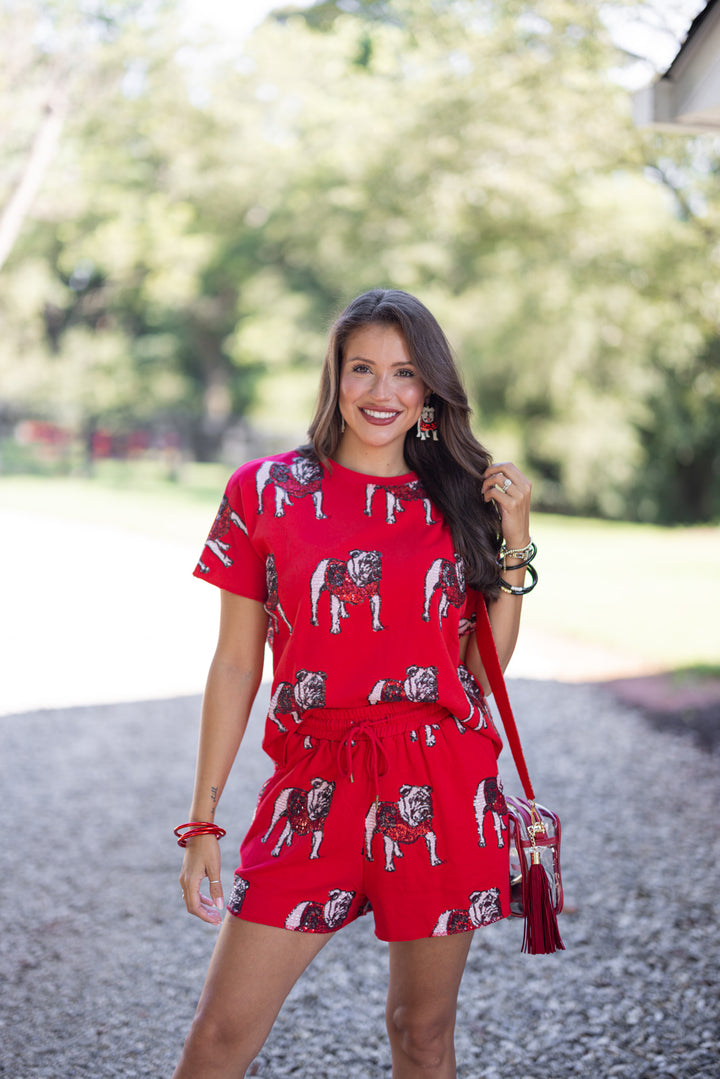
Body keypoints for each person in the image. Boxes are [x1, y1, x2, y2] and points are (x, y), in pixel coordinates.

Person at [172, 288, 534, 1079]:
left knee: (422, 1032)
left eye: (405, 374)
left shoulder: (459, 500)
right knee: (218, 1036)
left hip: (441, 782)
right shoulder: (263, 492)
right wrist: (201, 822)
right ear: (334, 374)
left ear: (429, 391)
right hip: (314, 783)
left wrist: (512, 543)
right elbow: (237, 662)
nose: (381, 392)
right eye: (362, 367)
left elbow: (481, 673)